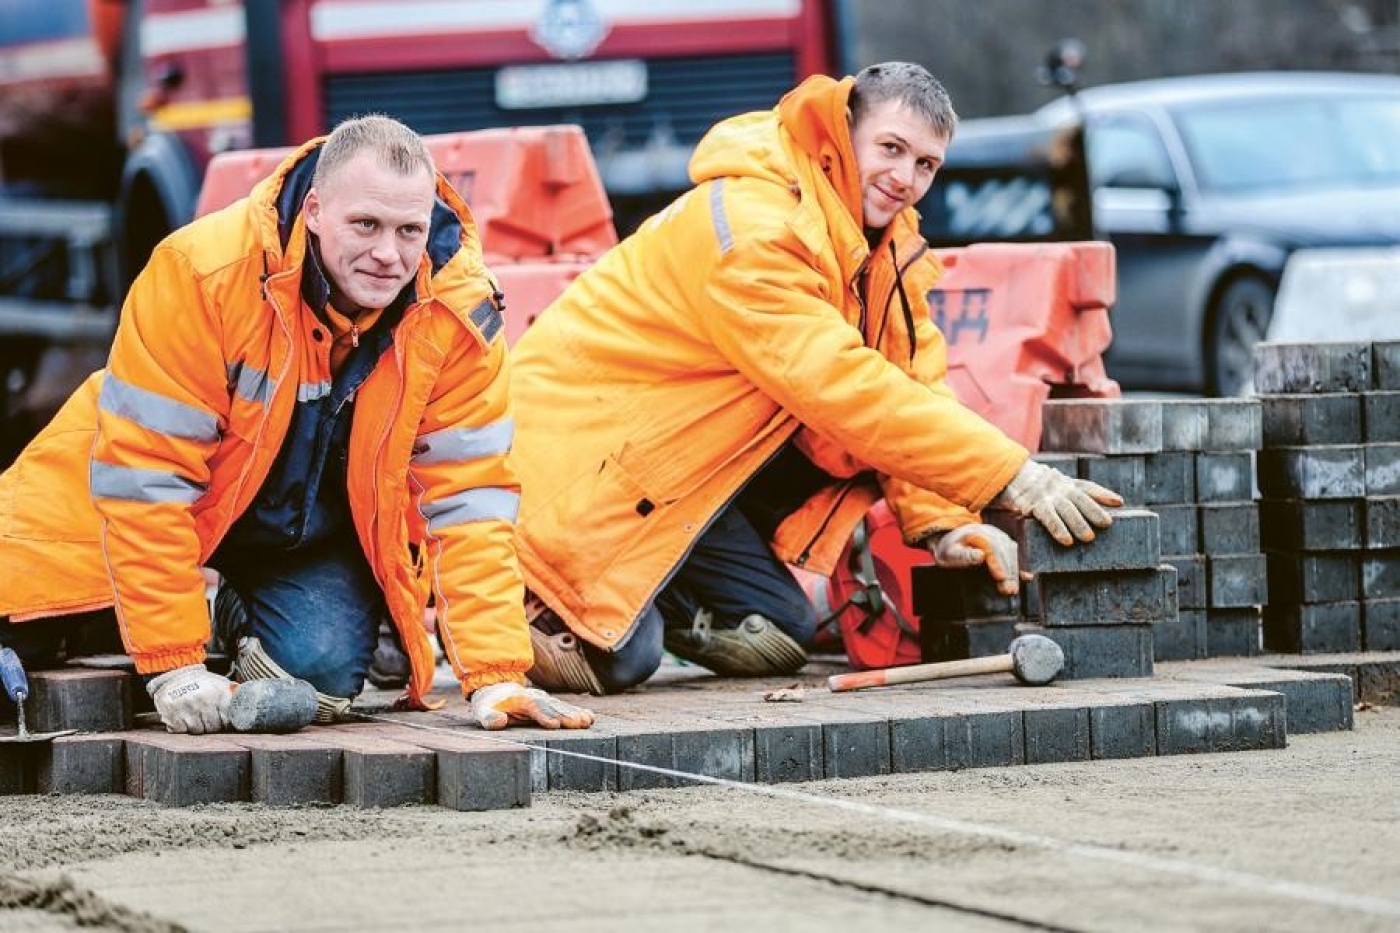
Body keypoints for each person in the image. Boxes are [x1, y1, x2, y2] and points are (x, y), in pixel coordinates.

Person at [509, 63, 1122, 695]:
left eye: (926, 165)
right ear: (842, 129)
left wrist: (942, 522)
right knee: (622, 661)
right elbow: (841, 385)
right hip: (578, 458)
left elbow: (911, 379)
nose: (905, 178)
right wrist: (1014, 477)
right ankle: (503, 598)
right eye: (891, 148)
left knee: (780, 631)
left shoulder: (883, 242)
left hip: (673, 466)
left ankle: (638, 592)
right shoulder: (755, 224)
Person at [0, 115, 593, 734]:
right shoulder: (202, 274)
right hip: (130, 506)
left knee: (323, 675)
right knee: (35, 615)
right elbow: (146, 478)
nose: (388, 254)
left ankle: (225, 612)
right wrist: (174, 661)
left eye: (409, 231)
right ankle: (150, 618)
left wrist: (495, 674)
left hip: (291, 532)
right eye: (365, 224)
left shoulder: (458, 313)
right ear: (313, 209)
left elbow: (469, 497)